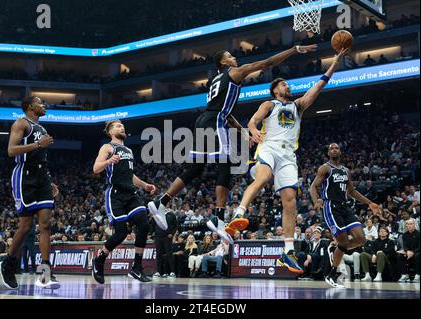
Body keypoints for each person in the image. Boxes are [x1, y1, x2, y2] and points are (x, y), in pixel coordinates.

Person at [148, 44, 318, 244]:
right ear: (223, 62)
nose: (234, 57)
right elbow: (267, 63)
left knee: (195, 168)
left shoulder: (215, 80)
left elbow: (225, 112)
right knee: (226, 165)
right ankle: (219, 218)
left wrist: (242, 131)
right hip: (214, 122)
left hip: (204, 119)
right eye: (229, 55)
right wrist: (294, 50)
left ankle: (161, 201)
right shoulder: (233, 72)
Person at [231, 48, 349, 275]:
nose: (288, 86)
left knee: (290, 201)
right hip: (269, 147)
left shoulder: (298, 106)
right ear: (275, 89)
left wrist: (334, 62)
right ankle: (239, 212)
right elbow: (253, 121)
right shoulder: (269, 104)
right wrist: (253, 129)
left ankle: (288, 250)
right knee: (264, 177)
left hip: (288, 156)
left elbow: (320, 84)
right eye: (284, 84)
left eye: (287, 85)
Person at [91, 120, 163, 283]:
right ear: (110, 132)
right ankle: (100, 259)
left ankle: (136, 268)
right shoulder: (108, 147)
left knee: (144, 224)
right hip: (115, 194)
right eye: (117, 126)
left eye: (122, 126)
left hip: (130, 194)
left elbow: (130, 175)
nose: (122, 127)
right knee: (121, 233)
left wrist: (144, 185)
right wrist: (109, 161)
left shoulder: (129, 150)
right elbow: (96, 168)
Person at [0, 96, 60, 290]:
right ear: (30, 106)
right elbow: (11, 150)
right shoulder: (21, 123)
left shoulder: (42, 128)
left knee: (46, 224)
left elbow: (43, 157)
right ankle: (8, 263)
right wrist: (37, 144)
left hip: (42, 177)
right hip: (25, 176)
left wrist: (50, 181)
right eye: (40, 102)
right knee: (25, 227)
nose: (44, 105)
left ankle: (45, 273)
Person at [310, 142, 381, 288]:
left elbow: (352, 192)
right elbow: (313, 187)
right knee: (343, 243)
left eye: (337, 148)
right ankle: (332, 274)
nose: (334, 150)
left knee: (361, 238)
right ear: (328, 153)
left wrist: (370, 203)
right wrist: (316, 200)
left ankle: (334, 250)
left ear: (340, 152)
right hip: (330, 206)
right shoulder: (325, 168)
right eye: (331, 148)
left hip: (344, 207)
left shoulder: (345, 171)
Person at [153, 208, 177, 278]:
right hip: (158, 237)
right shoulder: (157, 214)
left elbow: (175, 226)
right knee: (158, 254)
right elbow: (153, 224)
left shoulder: (171, 214)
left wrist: (172, 234)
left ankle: (172, 272)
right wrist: (151, 233)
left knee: (169, 254)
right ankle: (158, 272)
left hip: (167, 237)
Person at [397, 218, 420, 283]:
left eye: (411, 224)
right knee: (400, 256)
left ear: (414, 225)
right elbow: (404, 246)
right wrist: (407, 251)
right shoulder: (404, 235)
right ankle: (405, 274)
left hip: (417, 251)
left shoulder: (418, 234)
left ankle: (417, 275)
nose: (409, 225)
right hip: (408, 252)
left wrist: (413, 252)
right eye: (407, 224)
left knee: (417, 255)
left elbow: (419, 247)